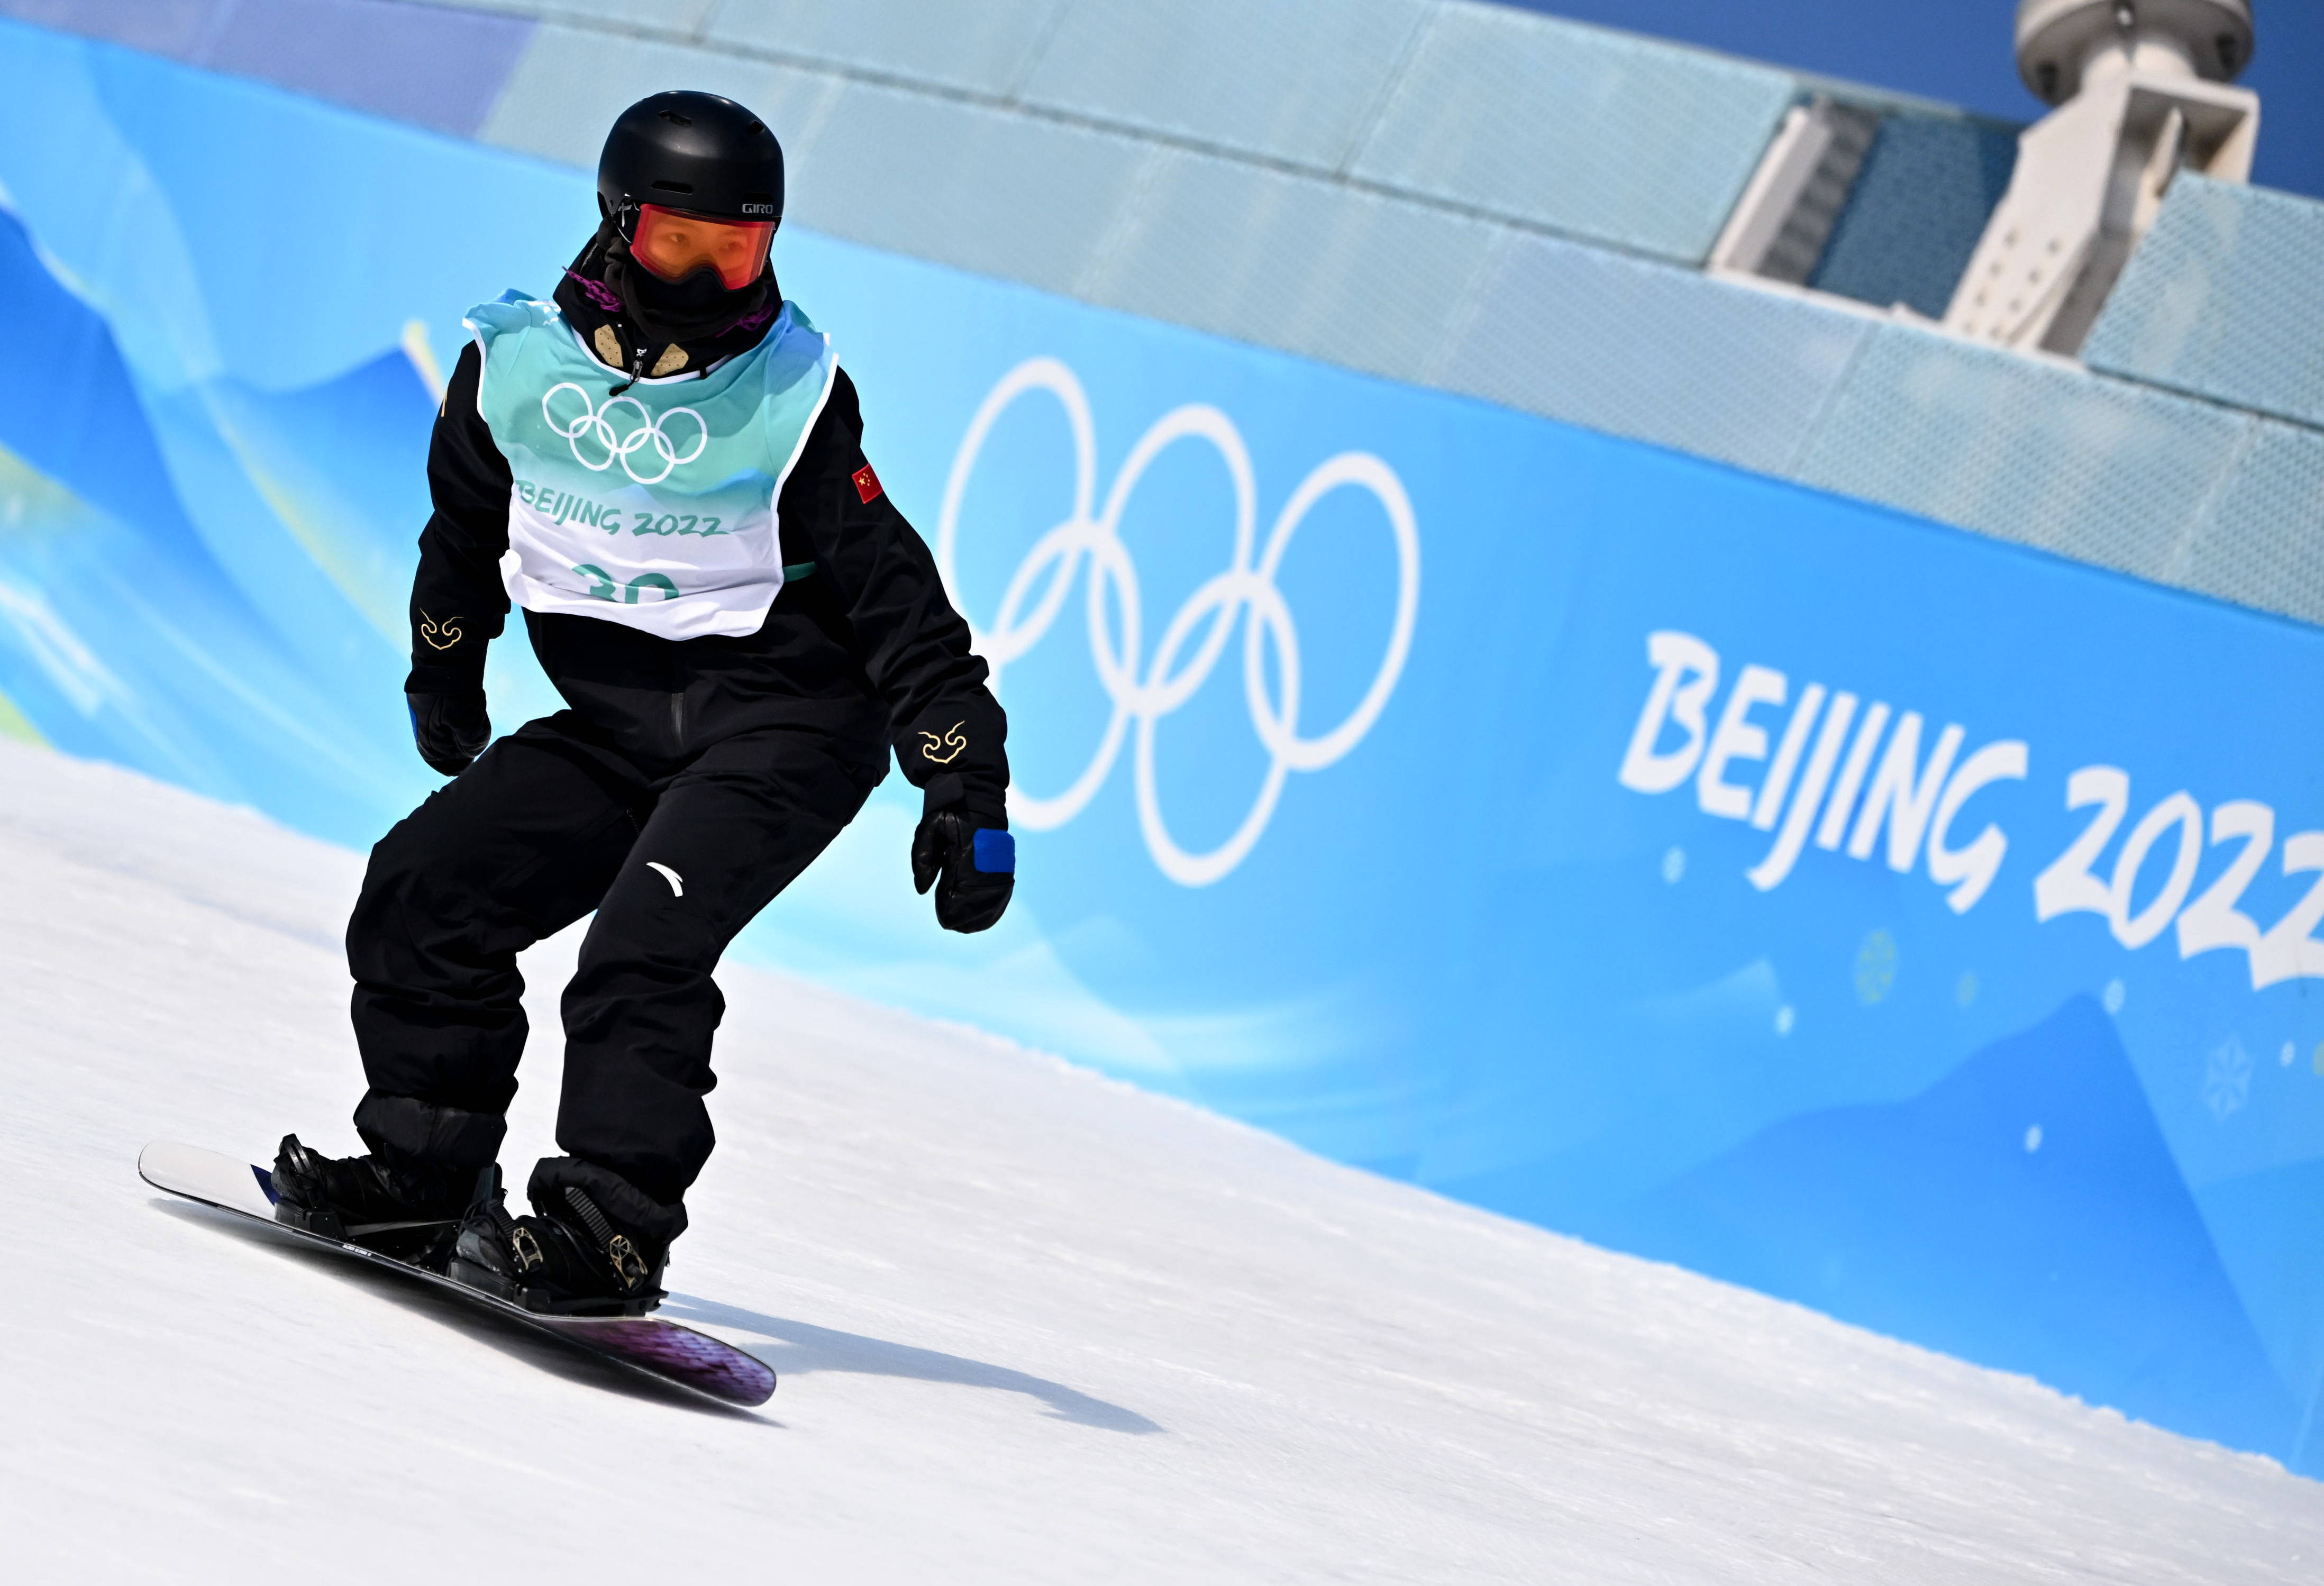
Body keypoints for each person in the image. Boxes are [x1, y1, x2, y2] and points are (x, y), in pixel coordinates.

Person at [269, 90, 1015, 1316]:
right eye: (682, 243)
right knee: (423, 890)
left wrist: (963, 777)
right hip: (620, 725)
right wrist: (443, 666)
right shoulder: (514, 369)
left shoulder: (794, 393)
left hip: (786, 727)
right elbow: (462, 534)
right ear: (619, 225)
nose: (715, 277)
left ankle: (608, 1229)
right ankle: (423, 1174)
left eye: (742, 249)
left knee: (642, 950)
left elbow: (898, 601)